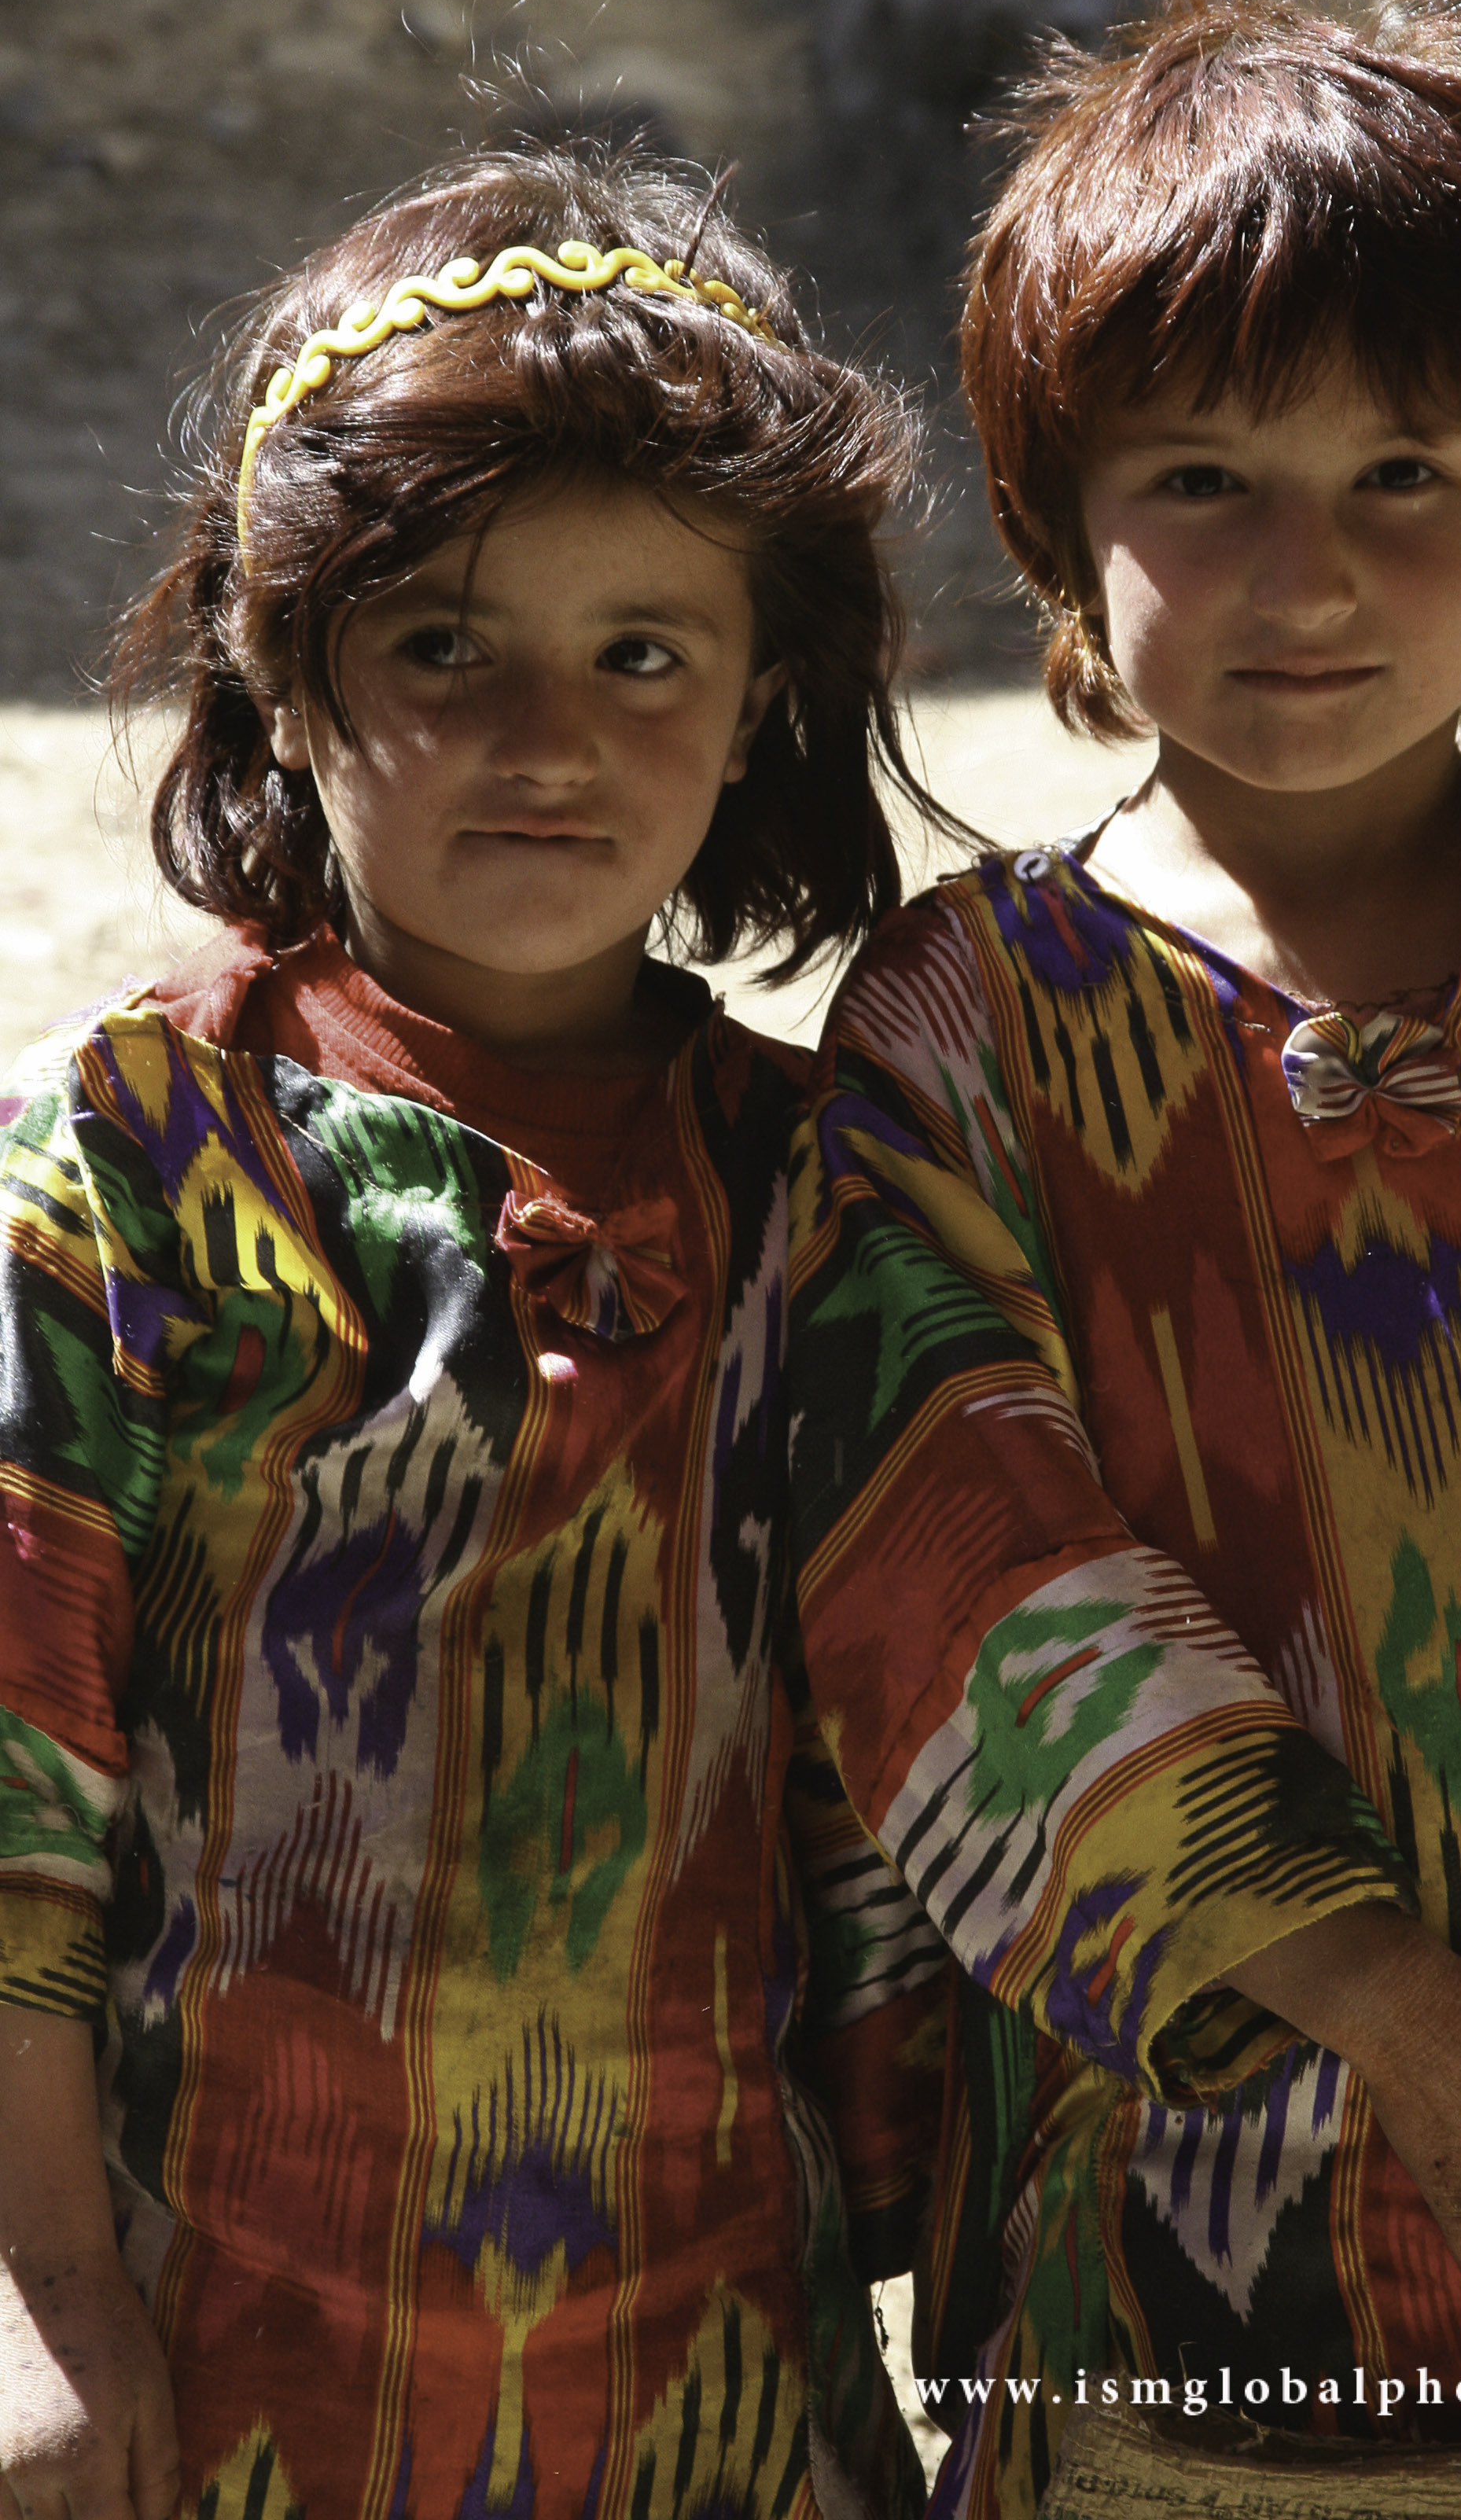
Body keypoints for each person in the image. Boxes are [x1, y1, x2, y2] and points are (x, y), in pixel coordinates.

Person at [787, 0, 1461, 2518]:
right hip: (1185, 2290)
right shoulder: (970, 1025)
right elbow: (953, 1575)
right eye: (1205, 482)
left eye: (1407, 479)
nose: (1309, 577)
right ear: (1052, 506)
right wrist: (1393, 2005)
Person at [0, 145, 948, 2520]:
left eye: (646, 652)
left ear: (757, 707)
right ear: (281, 674)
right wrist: (41, 2303)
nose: (550, 731)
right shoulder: (133, 1167)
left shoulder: (833, 1189)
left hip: (722, 2374)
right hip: (220, 2369)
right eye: (444, 643)